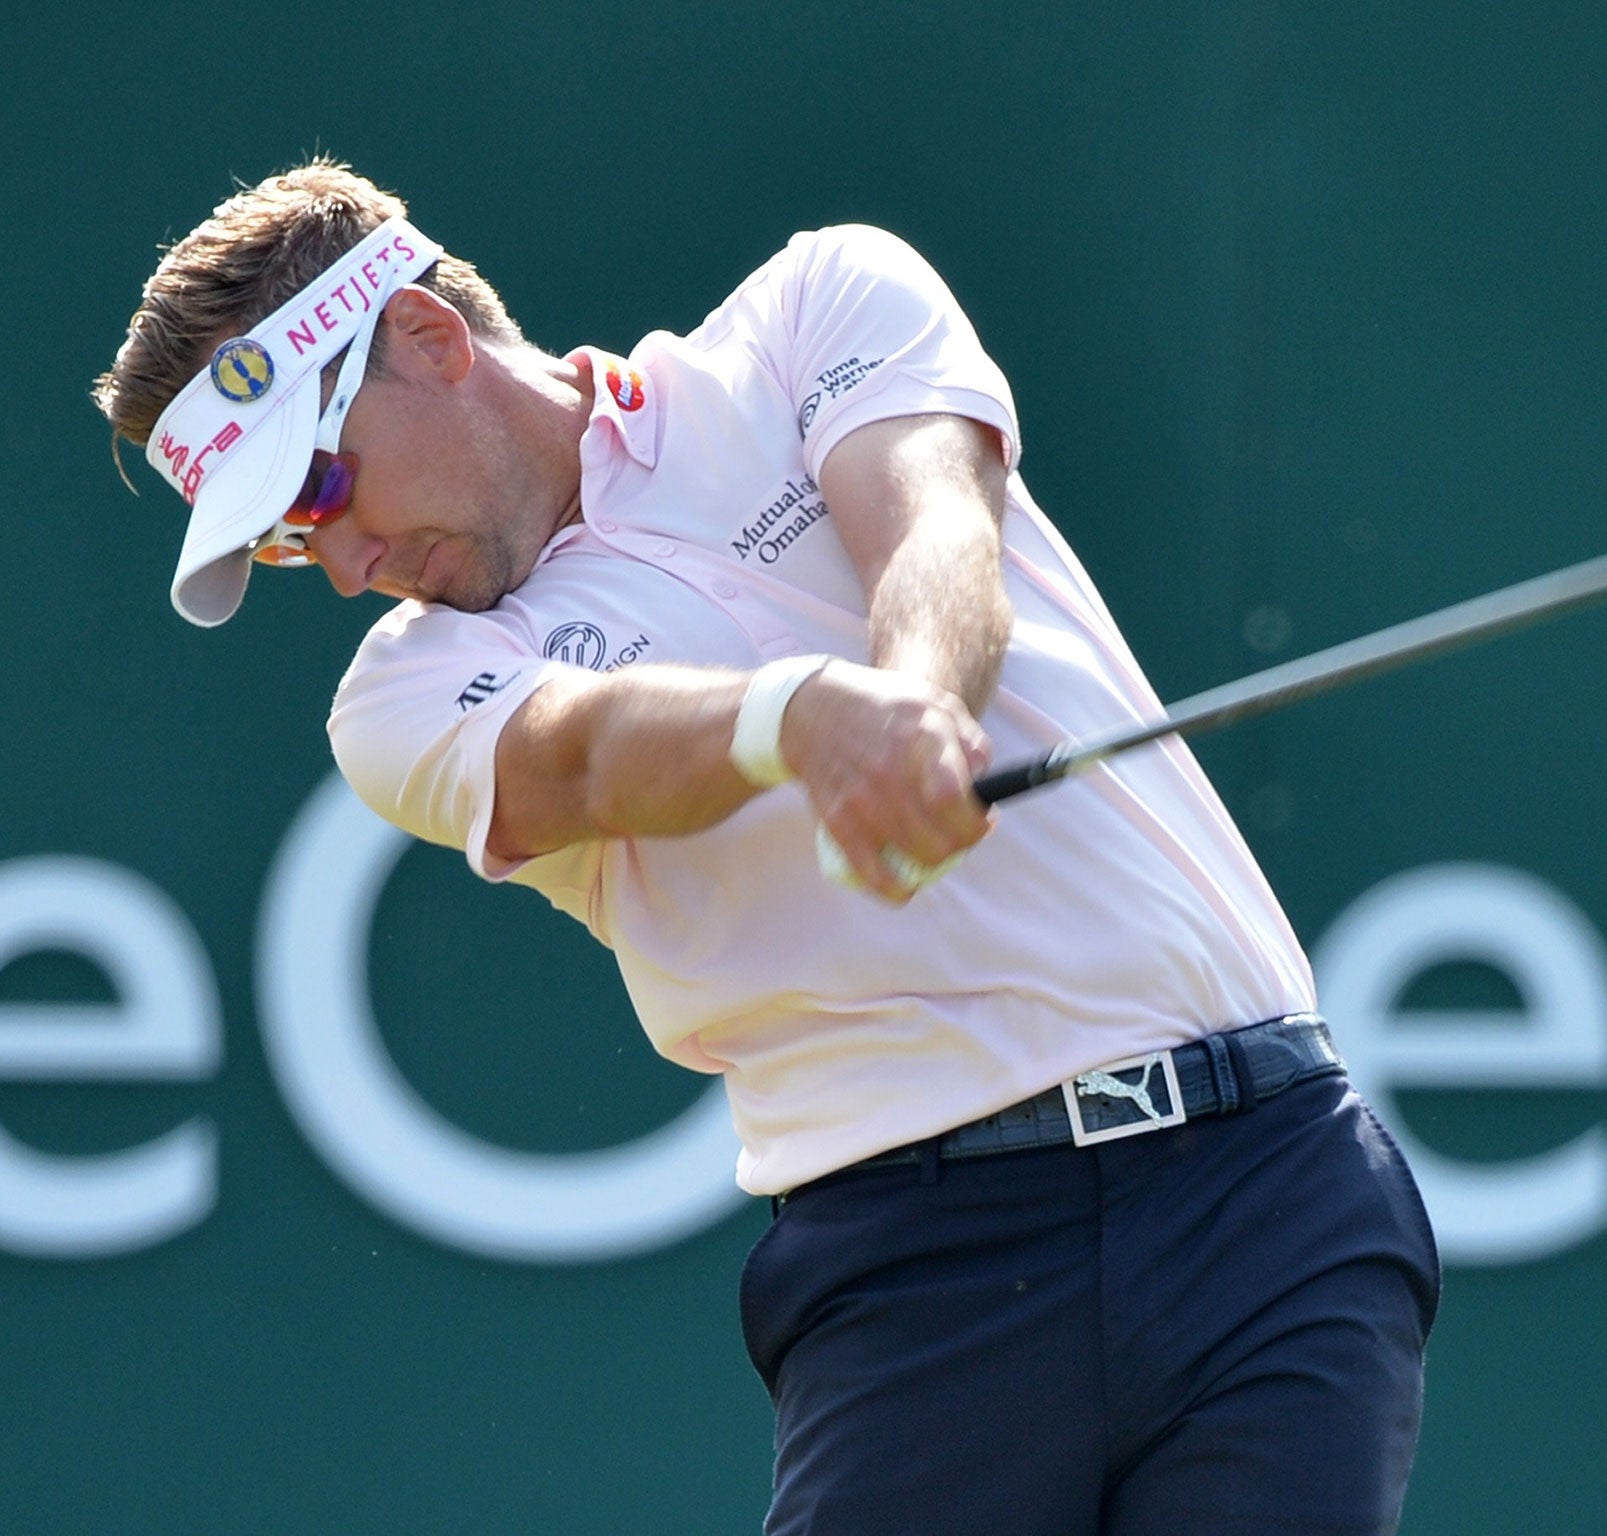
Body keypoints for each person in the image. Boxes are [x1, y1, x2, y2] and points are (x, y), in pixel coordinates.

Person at [95, 160, 1440, 1535]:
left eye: (319, 492)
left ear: (433, 343)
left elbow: (933, 520)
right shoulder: (398, 697)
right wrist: (795, 719)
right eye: (278, 544)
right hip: (926, 1276)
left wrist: (918, 698)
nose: (338, 561)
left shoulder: (816, 305)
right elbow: (584, 750)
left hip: (1268, 1184)